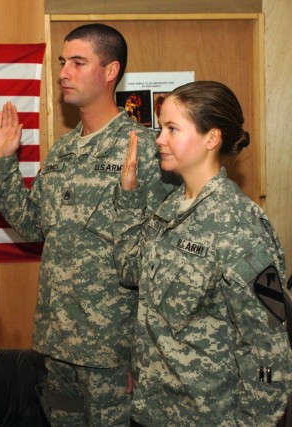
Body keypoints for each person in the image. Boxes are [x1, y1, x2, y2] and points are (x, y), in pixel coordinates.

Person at [0, 24, 165, 426]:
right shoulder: (65, 149)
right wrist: (3, 165)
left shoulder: (143, 149)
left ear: (110, 71)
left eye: (78, 62)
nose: (64, 72)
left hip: (114, 350)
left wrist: (148, 351)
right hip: (59, 339)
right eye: (63, 62)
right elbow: (33, 227)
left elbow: (156, 258)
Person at [114, 80, 292, 425]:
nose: (159, 139)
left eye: (172, 129)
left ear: (211, 139)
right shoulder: (171, 207)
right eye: (160, 127)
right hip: (154, 410)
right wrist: (129, 196)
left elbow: (267, 349)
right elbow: (129, 271)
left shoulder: (240, 227)